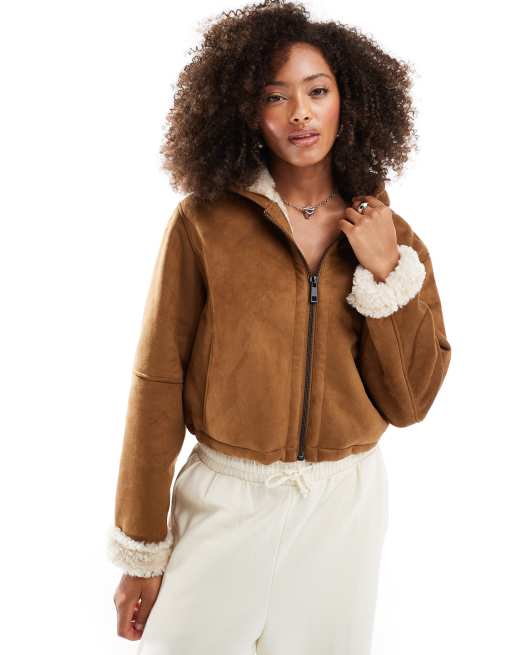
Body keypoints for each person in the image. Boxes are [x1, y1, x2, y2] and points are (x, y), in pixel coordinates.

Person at [107, 1, 452, 653]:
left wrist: (386, 271)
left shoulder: (390, 237)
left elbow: (409, 402)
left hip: (343, 514)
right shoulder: (204, 223)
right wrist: (142, 549)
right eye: (275, 96)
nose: (300, 113)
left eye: (317, 91)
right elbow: (157, 384)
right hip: (225, 501)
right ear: (245, 110)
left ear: (348, 101)